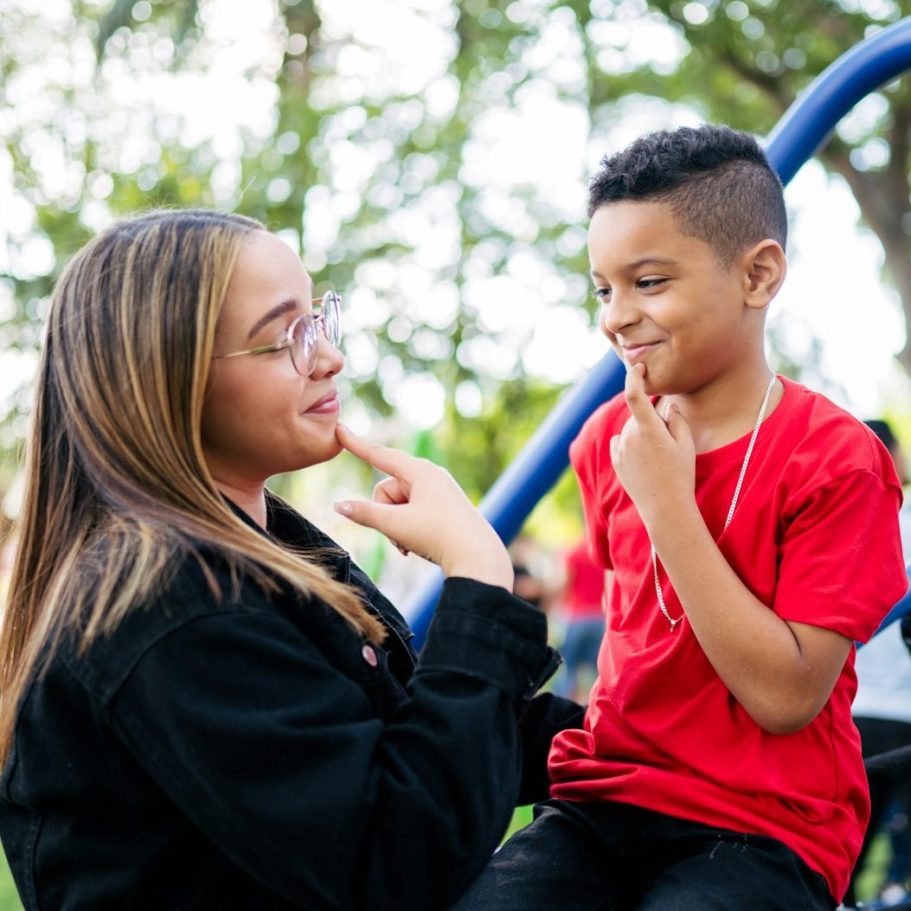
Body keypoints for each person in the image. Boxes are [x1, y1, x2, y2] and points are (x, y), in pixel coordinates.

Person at [0, 209, 584, 910]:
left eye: (318, 318)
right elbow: (401, 858)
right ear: (167, 380)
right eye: (286, 339)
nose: (330, 357)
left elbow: (405, 729)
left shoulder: (265, 548)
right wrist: (478, 578)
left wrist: (633, 735)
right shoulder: (166, 602)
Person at [454, 125, 908, 911]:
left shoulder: (836, 458)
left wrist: (667, 501)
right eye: (603, 289)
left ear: (757, 275)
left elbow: (784, 696)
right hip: (605, 799)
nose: (616, 316)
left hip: (763, 824)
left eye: (648, 282)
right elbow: (638, 635)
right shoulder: (605, 441)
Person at [846, 419, 911, 906]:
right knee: (900, 848)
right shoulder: (903, 521)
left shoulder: (841, 522)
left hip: (851, 707)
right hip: (902, 710)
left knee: (849, 842)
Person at [552, 538, 605, 701]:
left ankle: (563, 703)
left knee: (569, 667)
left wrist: (557, 608)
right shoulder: (602, 552)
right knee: (600, 670)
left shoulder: (574, 553)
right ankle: (595, 705)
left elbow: (565, 583)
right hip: (600, 617)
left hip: (577, 617)